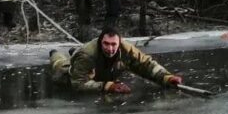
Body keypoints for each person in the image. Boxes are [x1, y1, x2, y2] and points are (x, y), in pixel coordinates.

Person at [49, 26, 183, 94]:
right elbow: (78, 84)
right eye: (106, 44)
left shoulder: (126, 49)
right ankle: (56, 53)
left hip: (100, 70)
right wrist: (108, 86)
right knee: (59, 63)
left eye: (114, 44)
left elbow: (146, 64)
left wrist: (166, 77)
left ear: (119, 43)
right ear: (100, 42)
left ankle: (74, 52)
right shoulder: (87, 55)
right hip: (72, 74)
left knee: (84, 58)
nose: (110, 48)